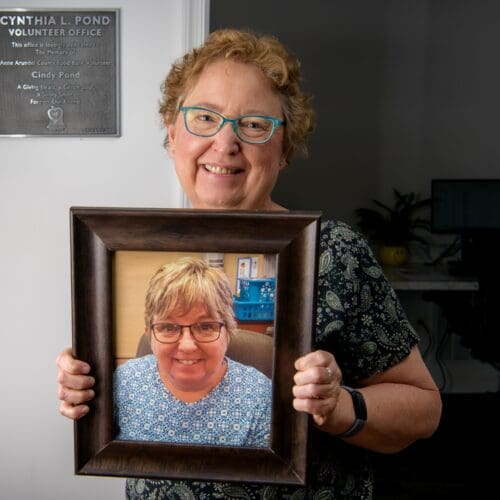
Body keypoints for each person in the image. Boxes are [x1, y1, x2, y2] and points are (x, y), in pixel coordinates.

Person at [56, 28, 442, 499]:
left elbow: (424, 409)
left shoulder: (336, 253)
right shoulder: (131, 248)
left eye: (255, 124)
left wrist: (339, 406)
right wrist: (86, 389)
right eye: (204, 118)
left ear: (284, 148)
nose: (225, 142)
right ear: (172, 133)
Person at [113, 257, 271, 447]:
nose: (187, 346)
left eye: (205, 326)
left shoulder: (260, 397)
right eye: (169, 327)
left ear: (227, 331)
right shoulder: (122, 383)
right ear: (149, 334)